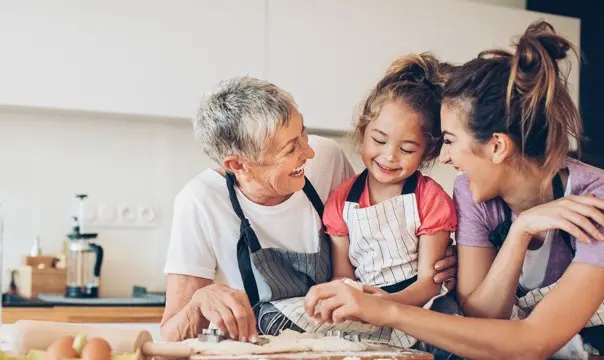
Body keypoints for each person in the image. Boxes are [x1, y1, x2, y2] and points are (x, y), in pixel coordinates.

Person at [304, 21, 604, 359]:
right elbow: (483, 318)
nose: (444, 157)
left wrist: (385, 310)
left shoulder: (596, 200)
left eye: (449, 141)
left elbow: (533, 342)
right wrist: (520, 233)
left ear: (497, 147)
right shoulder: (473, 193)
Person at [159, 76, 458, 343]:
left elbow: (374, 240)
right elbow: (170, 332)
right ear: (238, 165)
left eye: (302, 133)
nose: (309, 151)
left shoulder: (326, 159)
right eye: (291, 148)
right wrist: (200, 301)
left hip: (341, 342)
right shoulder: (199, 201)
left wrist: (440, 259)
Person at [320, 53, 459, 350]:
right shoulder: (341, 201)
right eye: (379, 140)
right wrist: (357, 304)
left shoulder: (431, 199)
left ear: (428, 152)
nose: (389, 156)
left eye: (407, 148)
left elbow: (429, 283)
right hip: (364, 306)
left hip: (419, 308)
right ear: (363, 131)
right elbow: (343, 277)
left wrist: (388, 306)